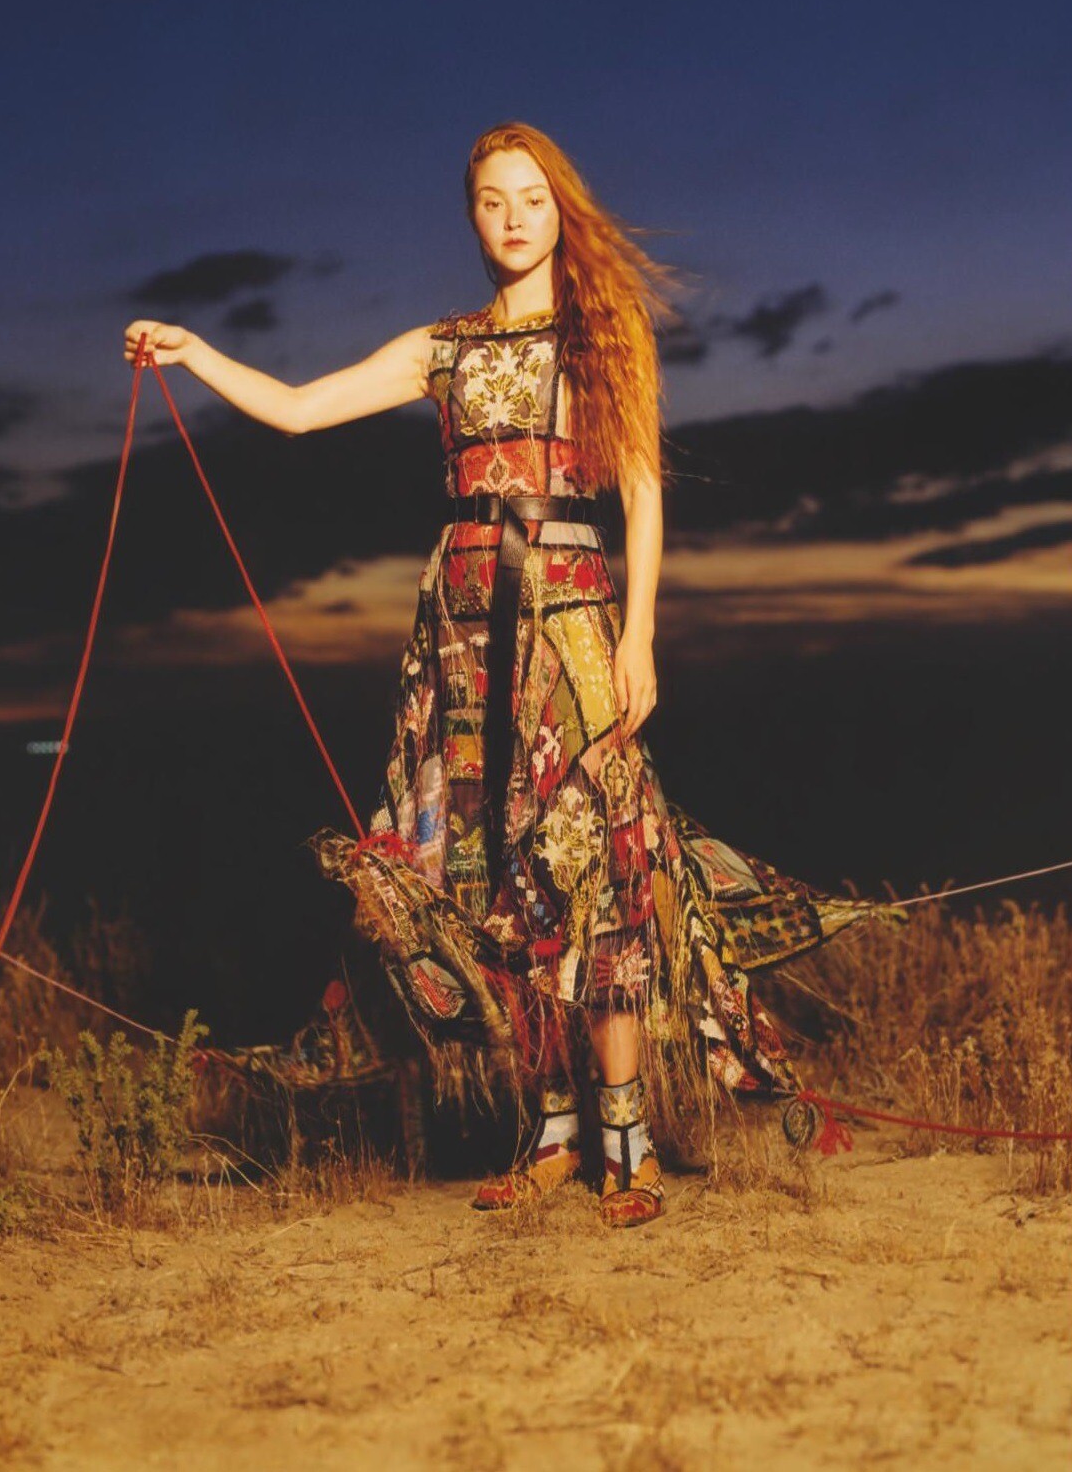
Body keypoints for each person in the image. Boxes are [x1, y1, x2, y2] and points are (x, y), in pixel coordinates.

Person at [125, 122, 898, 1229]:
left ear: (559, 207)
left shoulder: (603, 333)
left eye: (531, 197)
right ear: (471, 216)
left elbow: (642, 491)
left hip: (570, 619)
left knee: (601, 863)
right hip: (458, 635)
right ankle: (550, 1132)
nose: (513, 218)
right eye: (491, 200)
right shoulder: (440, 348)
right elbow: (299, 409)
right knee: (493, 877)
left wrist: (638, 635)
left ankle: (625, 1137)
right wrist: (193, 351)